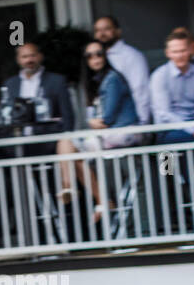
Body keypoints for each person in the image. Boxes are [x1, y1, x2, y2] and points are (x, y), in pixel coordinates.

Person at [60, 40, 140, 222]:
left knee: (70, 146)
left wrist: (93, 122)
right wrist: (92, 122)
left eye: (98, 54)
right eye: (89, 56)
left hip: (122, 133)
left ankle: (95, 198)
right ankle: (89, 195)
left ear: (105, 56)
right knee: (67, 145)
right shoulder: (94, 82)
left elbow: (106, 119)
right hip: (108, 135)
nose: (95, 58)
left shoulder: (112, 79)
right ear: (85, 61)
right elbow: (93, 120)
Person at [149, 30, 194, 143]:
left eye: (183, 51)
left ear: (190, 50)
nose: (179, 55)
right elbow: (165, 113)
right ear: (167, 53)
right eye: (175, 52)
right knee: (170, 156)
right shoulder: (159, 76)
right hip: (169, 130)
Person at [2, 42, 76, 132]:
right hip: (18, 137)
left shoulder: (57, 81)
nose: (29, 60)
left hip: (49, 138)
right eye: (24, 57)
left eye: (32, 55)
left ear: (41, 56)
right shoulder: (10, 84)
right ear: (18, 59)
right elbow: (5, 114)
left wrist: (66, 137)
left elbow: (68, 115)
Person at [93, 15, 152, 124]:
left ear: (118, 31)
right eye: (97, 30)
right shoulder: (95, 58)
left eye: (106, 29)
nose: (101, 34)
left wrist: (143, 124)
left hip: (127, 122)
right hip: (104, 123)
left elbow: (140, 90)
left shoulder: (131, 55)